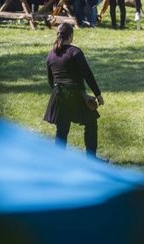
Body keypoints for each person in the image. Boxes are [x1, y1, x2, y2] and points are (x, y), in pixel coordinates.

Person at [44, 23, 104, 158]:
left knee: (61, 130)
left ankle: (58, 160)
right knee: (91, 122)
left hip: (58, 96)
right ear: (70, 35)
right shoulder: (75, 52)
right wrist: (98, 94)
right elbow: (87, 74)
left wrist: (58, 92)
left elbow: (50, 80)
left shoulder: (51, 55)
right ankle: (91, 159)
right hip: (75, 95)